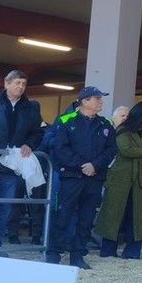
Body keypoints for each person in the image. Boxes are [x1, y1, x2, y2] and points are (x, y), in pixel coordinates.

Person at [46, 86, 117, 269]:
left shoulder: (106, 124)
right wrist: (81, 165)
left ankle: (77, 254)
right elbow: (60, 148)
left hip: (95, 178)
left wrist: (95, 165)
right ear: (85, 101)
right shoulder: (66, 120)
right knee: (63, 215)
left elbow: (111, 149)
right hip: (71, 177)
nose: (101, 102)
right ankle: (53, 253)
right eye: (97, 98)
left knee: (86, 218)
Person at [0, 70, 43, 250]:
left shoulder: (31, 108)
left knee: (6, 203)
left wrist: (29, 144)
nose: (21, 87)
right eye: (17, 83)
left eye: (24, 84)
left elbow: (37, 132)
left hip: (13, 164)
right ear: (6, 83)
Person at [95, 101, 142, 259]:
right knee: (114, 213)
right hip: (120, 177)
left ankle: (132, 251)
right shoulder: (122, 129)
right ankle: (108, 250)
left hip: (140, 179)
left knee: (137, 215)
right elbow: (126, 150)